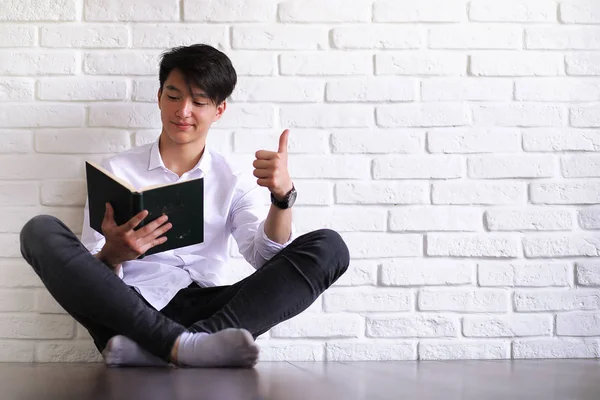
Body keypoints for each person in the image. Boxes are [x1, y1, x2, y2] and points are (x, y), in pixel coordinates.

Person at [19, 44, 350, 368]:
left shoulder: (233, 179)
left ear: (218, 110)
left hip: (210, 309)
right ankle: (183, 347)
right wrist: (114, 254)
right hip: (128, 309)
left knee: (330, 247)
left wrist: (281, 198)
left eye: (199, 101)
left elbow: (266, 260)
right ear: (159, 97)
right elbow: (86, 275)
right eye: (174, 96)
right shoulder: (115, 171)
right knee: (39, 231)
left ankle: (174, 346)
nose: (183, 111)